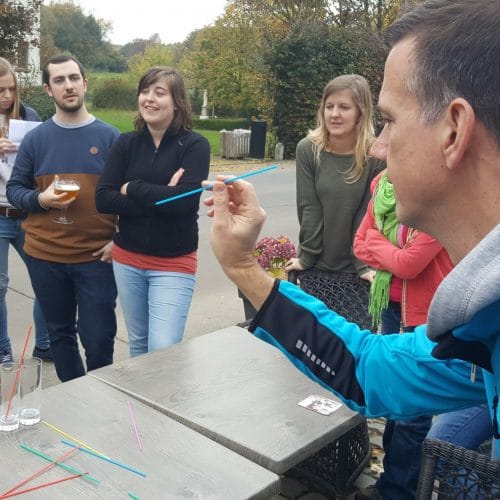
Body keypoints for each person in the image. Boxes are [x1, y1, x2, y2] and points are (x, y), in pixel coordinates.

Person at [203, 0, 500, 470]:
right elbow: (369, 371)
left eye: (390, 121)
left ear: (454, 131)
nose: (379, 146)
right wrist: (243, 266)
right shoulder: (483, 322)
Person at [6, 55, 119, 382]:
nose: (68, 86)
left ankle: (100, 397)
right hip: (46, 256)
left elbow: (128, 197)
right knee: (60, 335)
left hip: (96, 257)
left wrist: (120, 239)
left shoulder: (111, 138)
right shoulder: (36, 139)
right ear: (48, 89)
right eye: (59, 80)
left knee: (99, 339)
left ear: (85, 83)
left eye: (73, 78)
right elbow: (15, 189)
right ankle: (75, 397)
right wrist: (40, 199)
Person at [95, 66, 210, 357]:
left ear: (177, 102)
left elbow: (184, 203)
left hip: (173, 262)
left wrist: (132, 186)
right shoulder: (126, 143)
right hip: (127, 259)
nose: (149, 99)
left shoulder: (195, 145)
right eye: (145, 91)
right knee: (139, 343)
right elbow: (103, 199)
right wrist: (162, 196)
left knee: (162, 351)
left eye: (159, 93)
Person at [353, 169, 453, 499]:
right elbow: (358, 244)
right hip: (389, 305)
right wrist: (391, 253)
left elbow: (410, 264)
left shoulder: (439, 192)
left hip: (425, 314)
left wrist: (378, 243)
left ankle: (399, 490)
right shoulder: (384, 185)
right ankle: (390, 481)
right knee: (393, 395)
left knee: (413, 411)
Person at [285, 75, 384, 331]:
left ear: (361, 112)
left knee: (354, 346)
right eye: (329, 106)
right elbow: (309, 208)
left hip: (358, 273)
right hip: (317, 268)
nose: (334, 114)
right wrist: (306, 257)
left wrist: (363, 264)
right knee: (315, 345)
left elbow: (367, 214)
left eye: (344, 107)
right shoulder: (308, 149)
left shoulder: (375, 156)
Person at [0, 57, 52, 363]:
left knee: (46, 279)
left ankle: (44, 345)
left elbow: (45, 158)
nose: (7, 96)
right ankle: (3, 349)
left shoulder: (29, 116)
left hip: (27, 211)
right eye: (0, 90)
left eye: (12, 89)